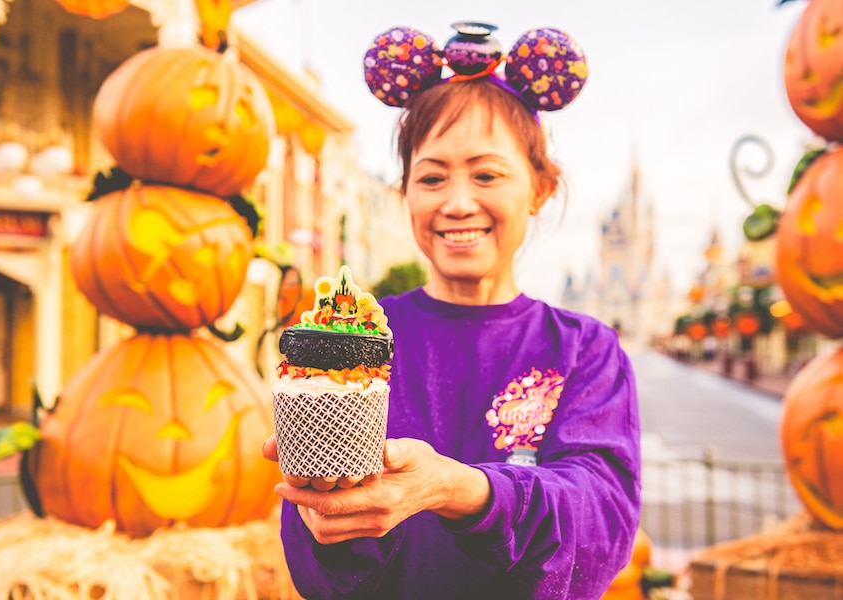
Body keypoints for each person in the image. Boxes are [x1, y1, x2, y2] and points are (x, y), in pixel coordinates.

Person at [261, 22, 641, 599]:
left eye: (487, 174)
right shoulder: (352, 343)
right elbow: (321, 575)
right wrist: (329, 504)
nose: (459, 202)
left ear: (540, 187)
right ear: (405, 194)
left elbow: (600, 523)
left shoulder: (585, 350)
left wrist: (459, 490)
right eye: (432, 177)